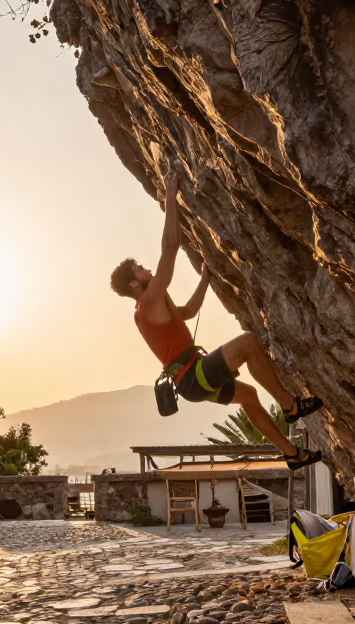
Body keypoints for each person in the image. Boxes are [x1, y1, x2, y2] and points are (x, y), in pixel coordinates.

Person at [110, 165, 323, 469]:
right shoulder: (148, 303)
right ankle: (290, 407)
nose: (147, 269)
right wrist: (170, 197)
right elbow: (170, 249)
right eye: (140, 269)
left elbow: (188, 312)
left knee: (249, 396)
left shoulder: (151, 308)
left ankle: (292, 454)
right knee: (248, 343)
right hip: (192, 376)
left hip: (191, 381)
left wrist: (205, 279)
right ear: (135, 284)